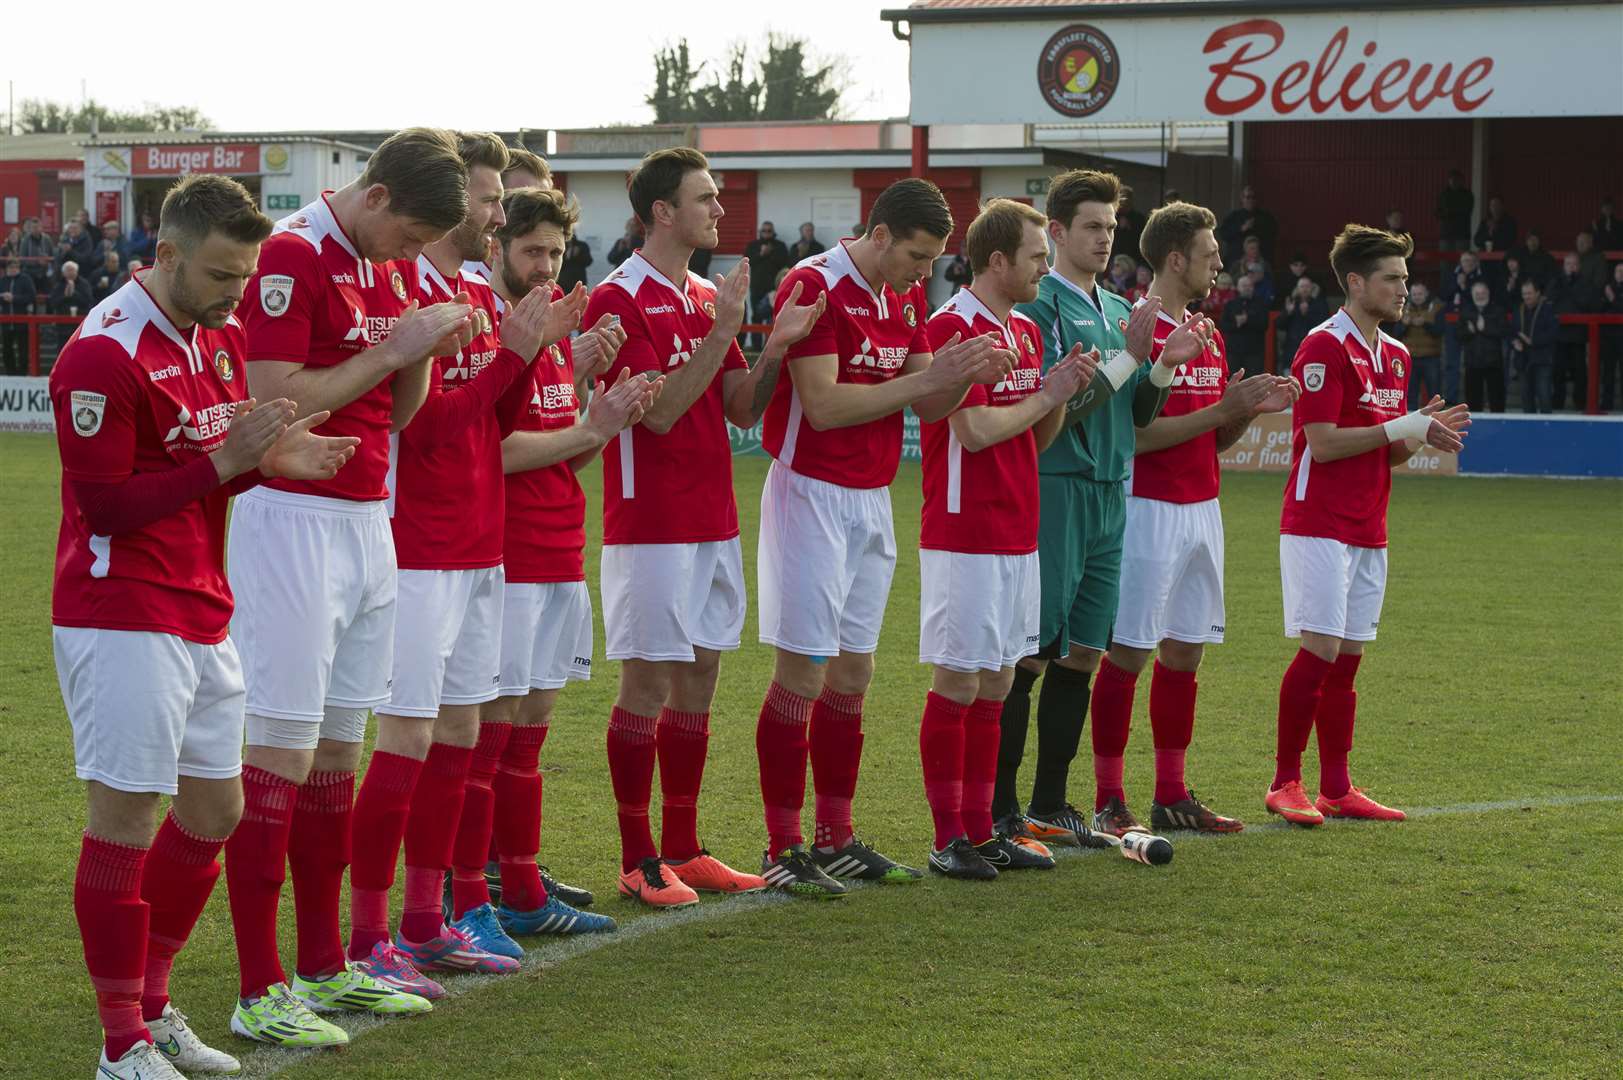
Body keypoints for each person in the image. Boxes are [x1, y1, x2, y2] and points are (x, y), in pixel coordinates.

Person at [50, 173, 358, 1080]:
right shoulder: (101, 354)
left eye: (246, 273)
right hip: (121, 615)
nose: (238, 294)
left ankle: (151, 1004)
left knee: (216, 809)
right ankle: (120, 1047)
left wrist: (272, 461)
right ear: (168, 254)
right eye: (223, 275)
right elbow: (104, 508)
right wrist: (232, 456)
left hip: (197, 605)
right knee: (124, 822)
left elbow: (207, 469)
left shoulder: (214, 340)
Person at [224, 127, 475, 1045]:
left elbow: (399, 415)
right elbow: (269, 393)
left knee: (338, 754)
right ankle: (260, 987)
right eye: (408, 236)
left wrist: (423, 353)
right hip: (290, 525)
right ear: (373, 197)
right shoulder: (293, 252)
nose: (413, 256)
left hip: (370, 517)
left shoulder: (392, 268)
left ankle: (328, 968)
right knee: (281, 756)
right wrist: (394, 346)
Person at [350, 134, 592, 980]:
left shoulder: (470, 295)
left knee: (457, 731)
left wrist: (536, 348)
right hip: (420, 544)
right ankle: (367, 935)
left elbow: (492, 425)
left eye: (495, 201)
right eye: (490, 201)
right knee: (408, 735)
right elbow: (425, 429)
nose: (497, 214)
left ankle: (432, 917)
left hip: (481, 542)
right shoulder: (408, 291)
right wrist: (520, 353)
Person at [750, 178, 1014, 896]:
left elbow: (927, 391)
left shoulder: (903, 295)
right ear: (878, 235)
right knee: (801, 673)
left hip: (869, 501)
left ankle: (836, 835)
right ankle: (783, 844)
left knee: (854, 673)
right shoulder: (814, 284)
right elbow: (826, 405)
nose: (923, 273)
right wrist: (928, 383)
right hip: (809, 494)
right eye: (916, 257)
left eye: (931, 263)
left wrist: (967, 378)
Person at [581, 147, 822, 907]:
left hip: (712, 516)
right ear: (661, 212)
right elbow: (656, 417)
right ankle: (636, 855)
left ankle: (684, 845)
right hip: (650, 523)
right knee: (647, 682)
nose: (720, 212)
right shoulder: (616, 300)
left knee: (700, 678)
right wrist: (723, 330)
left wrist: (774, 344)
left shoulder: (696, 294)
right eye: (706, 199)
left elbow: (739, 410)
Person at [995, 169, 1211, 846]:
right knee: (1031, 654)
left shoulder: (1123, 312)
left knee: (1085, 653)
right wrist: (1129, 361)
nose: (1103, 238)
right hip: (1058, 488)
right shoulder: (1038, 309)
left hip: (1113, 493)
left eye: (1110, 227)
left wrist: (1163, 365)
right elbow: (1060, 404)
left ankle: (1051, 803)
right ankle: (1000, 808)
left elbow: (1136, 412)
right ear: (1055, 232)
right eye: (1090, 226)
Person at [1089, 201, 1298, 836]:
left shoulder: (1206, 329)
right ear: (1176, 258)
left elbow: (1214, 441)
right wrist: (1219, 412)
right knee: (1128, 652)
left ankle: (1172, 794)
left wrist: (1243, 410)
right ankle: (1108, 798)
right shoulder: (1133, 324)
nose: (1219, 265)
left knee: (1185, 652)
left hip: (1203, 508)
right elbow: (1134, 437)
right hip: (1147, 509)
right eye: (1210, 255)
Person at [481, 185, 653, 935]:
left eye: (556, 251)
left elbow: (554, 458)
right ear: (496, 248)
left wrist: (590, 417)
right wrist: (594, 428)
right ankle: (486, 891)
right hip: (508, 556)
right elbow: (497, 451)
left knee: (529, 733)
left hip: (559, 549)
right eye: (532, 251)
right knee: (492, 735)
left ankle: (517, 885)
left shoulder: (546, 334)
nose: (546, 264)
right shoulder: (499, 330)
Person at [915, 199, 1096, 880]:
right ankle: (946, 837)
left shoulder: (1023, 330)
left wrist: (1060, 393)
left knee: (995, 681)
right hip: (965, 531)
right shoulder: (951, 328)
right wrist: (1045, 395)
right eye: (1036, 259)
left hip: (1017, 527)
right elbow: (975, 431)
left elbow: (1032, 431)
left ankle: (981, 827)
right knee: (959, 678)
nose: (1044, 271)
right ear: (996, 261)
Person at [1267, 224, 1469, 826]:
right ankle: (1284, 782)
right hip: (1318, 521)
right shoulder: (1323, 346)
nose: (1406, 289)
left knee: (1348, 657)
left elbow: (1388, 452)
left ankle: (1337, 787)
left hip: (1367, 523)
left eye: (1406, 278)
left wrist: (1418, 434)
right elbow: (1323, 445)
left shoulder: (1400, 355)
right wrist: (1399, 427)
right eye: (1393, 278)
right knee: (1321, 649)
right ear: (1356, 282)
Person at [1550, 252, 1599, 410]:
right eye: (1568, 264)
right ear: (1563, 266)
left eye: (1574, 264)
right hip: (1560, 334)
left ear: (1579, 266)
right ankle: (1558, 402)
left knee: (1580, 372)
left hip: (1578, 334)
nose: (1571, 267)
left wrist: (1570, 290)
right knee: (1558, 371)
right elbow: (1550, 300)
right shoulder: (1556, 281)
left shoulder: (1586, 282)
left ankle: (1580, 402)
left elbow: (1587, 303)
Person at [1458, 280, 1508, 413]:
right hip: (1472, 363)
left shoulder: (1498, 310)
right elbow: (1458, 334)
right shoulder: (1466, 311)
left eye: (1483, 293)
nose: (1480, 296)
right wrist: (1470, 331)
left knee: (1497, 401)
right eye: (1477, 293)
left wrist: (1484, 328)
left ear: (1488, 293)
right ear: (1472, 294)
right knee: (1473, 403)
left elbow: (1503, 331)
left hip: (1494, 362)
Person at [1393, 281, 1445, 408]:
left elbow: (1439, 331)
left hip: (1431, 358)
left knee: (1434, 394)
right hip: (1409, 359)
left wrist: (1424, 323)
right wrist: (1405, 325)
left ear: (1426, 294)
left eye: (1420, 294)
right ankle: (1411, 424)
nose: (1417, 297)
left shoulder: (1437, 307)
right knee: (1410, 395)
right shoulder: (1402, 308)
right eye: (1414, 294)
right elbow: (1396, 334)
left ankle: (1437, 420)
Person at [1511, 278, 1557, 414]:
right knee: (1526, 397)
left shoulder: (1548, 309)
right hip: (1523, 359)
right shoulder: (1518, 309)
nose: (1526, 297)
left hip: (1542, 359)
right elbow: (1512, 331)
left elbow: (1553, 332)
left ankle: (1548, 427)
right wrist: (1515, 341)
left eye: (1529, 293)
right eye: (1524, 294)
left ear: (1538, 293)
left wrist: (1533, 341)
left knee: (1544, 395)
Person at [743, 221, 790, 348]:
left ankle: (771, 346)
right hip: (757, 287)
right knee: (756, 317)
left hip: (774, 288)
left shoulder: (780, 246)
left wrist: (770, 254)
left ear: (773, 232)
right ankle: (756, 347)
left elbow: (785, 263)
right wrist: (761, 254)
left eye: (769, 231)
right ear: (760, 232)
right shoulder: (753, 245)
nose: (767, 233)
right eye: (764, 231)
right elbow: (747, 262)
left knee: (774, 317)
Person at [1221, 274, 1269, 374]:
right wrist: (1236, 324)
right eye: (1244, 285)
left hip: (1254, 353)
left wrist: (1248, 320)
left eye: (1249, 285)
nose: (1247, 288)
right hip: (1234, 353)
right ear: (1237, 287)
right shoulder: (1230, 305)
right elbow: (1224, 325)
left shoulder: (1261, 304)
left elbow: (1264, 324)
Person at [1278, 275, 1329, 371]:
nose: (1304, 289)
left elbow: (1324, 325)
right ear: (1297, 288)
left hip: (1312, 350)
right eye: (1302, 286)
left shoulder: (1320, 303)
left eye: (1307, 286)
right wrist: (1288, 313)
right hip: (1292, 351)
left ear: (1312, 288)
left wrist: (1307, 314)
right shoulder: (1291, 303)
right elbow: (1280, 325)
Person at [1218, 185, 1277, 265]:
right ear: (1242, 199)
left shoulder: (1265, 217)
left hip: (1259, 262)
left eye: (1253, 197)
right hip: (1236, 261)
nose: (1251, 200)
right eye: (1248, 197)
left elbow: (1273, 235)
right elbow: (1223, 234)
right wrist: (1241, 228)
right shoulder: (1233, 216)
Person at [0, 256, 37, 375]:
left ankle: (22, 372)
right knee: (6, 349)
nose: (13, 269)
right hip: (6, 322)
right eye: (10, 267)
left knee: (23, 350)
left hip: (22, 321)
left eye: (15, 267)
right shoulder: (3, 280)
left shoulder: (25, 279)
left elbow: (31, 296)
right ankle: (10, 372)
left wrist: (14, 298)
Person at [1601, 262, 1623, 411]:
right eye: (1618, 271)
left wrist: (1613, 299)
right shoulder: (1607, 288)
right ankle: (1607, 403)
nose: (1620, 274)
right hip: (1609, 336)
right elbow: (1600, 308)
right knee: (1607, 372)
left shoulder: (1610, 292)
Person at [1436, 169, 1474, 251]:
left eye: (1456, 179)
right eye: (1452, 179)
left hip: (1462, 233)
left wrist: (1448, 212)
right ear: (1449, 180)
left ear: (1461, 181)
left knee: (1462, 259)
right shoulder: (1443, 194)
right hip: (1446, 233)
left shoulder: (1467, 195)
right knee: (1445, 259)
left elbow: (1467, 211)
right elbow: (1437, 212)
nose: (1454, 181)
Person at [1113, 186, 1147, 265]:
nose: (1123, 201)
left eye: (1126, 197)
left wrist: (1129, 227)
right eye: (1121, 198)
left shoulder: (1139, 218)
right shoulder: (1112, 216)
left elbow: (1142, 238)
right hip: (1114, 258)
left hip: (1133, 258)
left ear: (1131, 200)